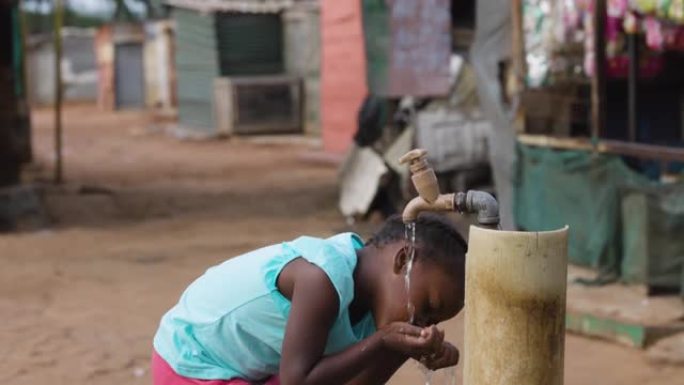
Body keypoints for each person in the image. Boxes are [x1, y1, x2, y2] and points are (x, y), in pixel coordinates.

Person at [152, 213, 467, 385]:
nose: (421, 322)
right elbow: (298, 380)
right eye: (426, 308)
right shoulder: (320, 279)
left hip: (250, 370)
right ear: (403, 260)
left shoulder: (375, 305)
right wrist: (383, 341)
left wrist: (402, 349)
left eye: (430, 323)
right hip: (192, 363)